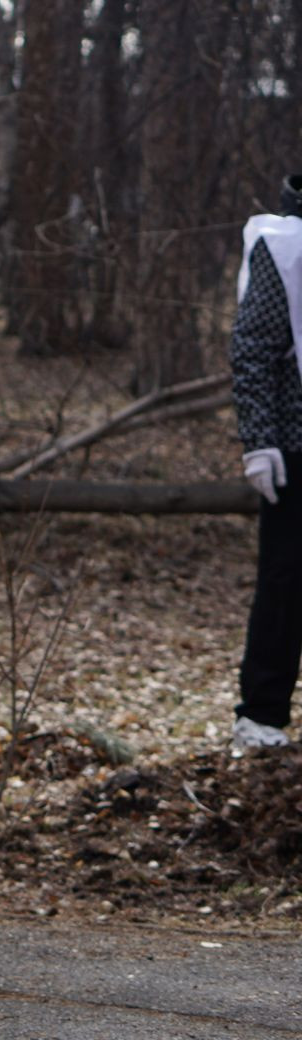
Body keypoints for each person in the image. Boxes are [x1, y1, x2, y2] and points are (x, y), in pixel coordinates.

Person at [231, 173, 302, 753]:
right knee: (286, 577)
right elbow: (254, 347)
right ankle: (261, 715)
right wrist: (260, 441)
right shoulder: (283, 247)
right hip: (296, 444)